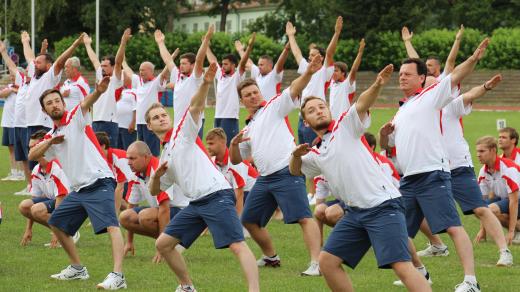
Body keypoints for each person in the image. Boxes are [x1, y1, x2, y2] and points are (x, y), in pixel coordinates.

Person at [289, 64, 430, 292]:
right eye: (312, 110)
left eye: (322, 107)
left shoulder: (346, 125)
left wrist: (377, 84)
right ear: (306, 122)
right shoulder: (315, 151)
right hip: (355, 213)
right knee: (327, 262)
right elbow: (296, 171)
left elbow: (362, 103)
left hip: (383, 206)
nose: (319, 111)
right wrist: (295, 155)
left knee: (402, 266)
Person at [379, 38, 492, 292]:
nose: (402, 77)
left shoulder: (431, 97)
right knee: (400, 232)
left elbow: (455, 75)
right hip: (408, 179)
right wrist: (384, 134)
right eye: (400, 74)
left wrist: (473, 59)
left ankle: (471, 282)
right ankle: (421, 273)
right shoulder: (401, 111)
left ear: (422, 78)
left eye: (408, 74)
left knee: (453, 227)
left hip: (432, 174)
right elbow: (387, 147)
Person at [27, 29, 132, 290]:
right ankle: (78, 268)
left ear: (63, 102)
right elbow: (32, 155)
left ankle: (118, 276)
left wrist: (98, 91)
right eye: (49, 103)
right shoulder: (52, 135)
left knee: (111, 225)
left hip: (99, 182)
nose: (54, 104)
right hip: (78, 190)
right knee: (57, 224)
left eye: (57, 100)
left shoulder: (75, 116)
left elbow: (87, 102)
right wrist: (50, 142)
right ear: (44, 110)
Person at [148, 63, 259, 292]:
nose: (161, 118)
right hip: (197, 203)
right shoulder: (165, 154)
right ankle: (187, 287)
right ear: (148, 126)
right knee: (164, 243)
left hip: (216, 195)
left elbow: (196, 107)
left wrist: (206, 83)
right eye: (155, 117)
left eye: (162, 114)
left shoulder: (181, 132)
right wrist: (157, 177)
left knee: (237, 245)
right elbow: (154, 191)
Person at [229, 55, 323, 276]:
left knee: (303, 217)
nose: (253, 97)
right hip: (265, 178)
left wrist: (308, 72)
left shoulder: (273, 106)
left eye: (255, 92)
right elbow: (235, 159)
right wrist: (233, 144)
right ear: (242, 102)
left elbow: (294, 89)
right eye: (248, 95)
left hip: (287, 170)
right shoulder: (247, 128)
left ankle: (317, 263)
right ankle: (271, 257)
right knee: (249, 220)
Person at [286, 16, 341, 200]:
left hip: (315, 117)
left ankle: (314, 191)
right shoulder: (306, 69)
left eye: (314, 56)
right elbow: (296, 53)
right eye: (309, 56)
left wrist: (336, 33)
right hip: (303, 118)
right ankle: (306, 192)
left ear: (322, 58)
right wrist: (291, 36)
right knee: (302, 152)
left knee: (315, 153)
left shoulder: (325, 72)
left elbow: (331, 53)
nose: (310, 59)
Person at [120, 141, 189, 263]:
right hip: (161, 209)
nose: (128, 162)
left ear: (145, 157)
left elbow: (164, 209)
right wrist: (129, 242)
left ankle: (168, 245)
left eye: (132, 158)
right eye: (128, 158)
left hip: (181, 210)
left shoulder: (158, 171)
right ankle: (173, 243)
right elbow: (131, 205)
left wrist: (160, 249)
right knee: (125, 217)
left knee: (145, 216)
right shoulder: (135, 173)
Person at [18, 130, 78, 248]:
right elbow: (35, 198)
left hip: (68, 202)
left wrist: (57, 231)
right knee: (24, 206)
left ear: (43, 147)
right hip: (55, 200)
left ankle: (68, 232)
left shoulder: (57, 167)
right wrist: (28, 229)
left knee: (36, 210)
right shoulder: (36, 169)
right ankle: (64, 231)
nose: (30, 151)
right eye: (29, 147)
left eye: (34, 147)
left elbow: (61, 199)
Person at [155, 25, 212, 137]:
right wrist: (160, 43)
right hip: (178, 123)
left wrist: (205, 41)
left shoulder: (196, 77)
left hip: (193, 123)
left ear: (193, 65)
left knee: (193, 153)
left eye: (184, 64)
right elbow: (168, 60)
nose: (181, 66)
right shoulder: (178, 76)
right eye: (180, 63)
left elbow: (199, 59)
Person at [206, 33, 255, 145]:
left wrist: (249, 48)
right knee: (217, 146)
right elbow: (212, 61)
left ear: (233, 65)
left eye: (226, 64)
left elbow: (243, 62)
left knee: (229, 146)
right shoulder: (220, 75)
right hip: (217, 116)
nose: (223, 66)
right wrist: (206, 46)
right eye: (222, 64)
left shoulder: (237, 76)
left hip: (230, 117)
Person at [83, 31, 126, 149]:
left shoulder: (116, 79)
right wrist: (87, 44)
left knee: (109, 153)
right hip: (96, 121)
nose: (102, 68)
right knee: (96, 153)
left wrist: (123, 43)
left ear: (112, 67)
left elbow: (118, 62)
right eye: (101, 66)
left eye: (105, 66)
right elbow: (94, 60)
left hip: (109, 122)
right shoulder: (101, 76)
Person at [477, 136, 520, 245]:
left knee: (490, 209)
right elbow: (482, 202)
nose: (478, 154)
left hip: (516, 199)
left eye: (482, 151)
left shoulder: (508, 169)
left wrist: (510, 232)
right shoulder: (483, 171)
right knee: (477, 208)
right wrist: (483, 230)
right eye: (477, 151)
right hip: (507, 199)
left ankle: (515, 231)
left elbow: (514, 201)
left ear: (493, 151)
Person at [205, 127, 259, 216]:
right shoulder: (212, 161)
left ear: (223, 143)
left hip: (251, 194)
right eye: (207, 144)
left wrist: (237, 221)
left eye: (211, 144)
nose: (208, 147)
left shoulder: (235, 162)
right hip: (232, 192)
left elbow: (239, 194)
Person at [134, 58, 170, 156]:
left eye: (143, 70)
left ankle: (154, 169)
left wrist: (170, 59)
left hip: (151, 123)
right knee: (142, 151)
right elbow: (128, 71)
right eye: (140, 70)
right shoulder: (139, 83)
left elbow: (163, 73)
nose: (140, 72)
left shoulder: (155, 83)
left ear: (150, 71)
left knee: (152, 152)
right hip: (139, 123)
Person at [95, 131, 135, 213]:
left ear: (103, 146)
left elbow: (121, 188)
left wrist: (115, 215)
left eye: (94, 146)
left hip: (135, 184)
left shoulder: (119, 159)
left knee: (111, 192)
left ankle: (129, 212)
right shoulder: (104, 158)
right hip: (128, 184)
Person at [0, 43, 22, 181]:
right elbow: (2, 94)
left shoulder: (22, 87)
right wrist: (10, 89)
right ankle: (14, 171)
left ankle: (20, 172)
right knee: (10, 148)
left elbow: (16, 91)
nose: (12, 78)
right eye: (12, 76)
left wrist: (13, 89)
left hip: (16, 123)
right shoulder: (10, 86)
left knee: (18, 148)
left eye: (14, 76)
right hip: (7, 122)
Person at [329, 38, 365, 120]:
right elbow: (329, 56)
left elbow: (354, 70)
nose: (333, 73)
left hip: (343, 121)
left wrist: (360, 53)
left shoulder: (347, 85)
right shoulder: (332, 83)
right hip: (331, 121)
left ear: (343, 73)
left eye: (336, 71)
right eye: (333, 70)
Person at [115, 68, 137, 150]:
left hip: (127, 126)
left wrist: (133, 122)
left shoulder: (134, 91)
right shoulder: (119, 91)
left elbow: (136, 108)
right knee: (118, 149)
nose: (122, 79)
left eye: (124, 77)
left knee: (128, 149)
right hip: (117, 125)